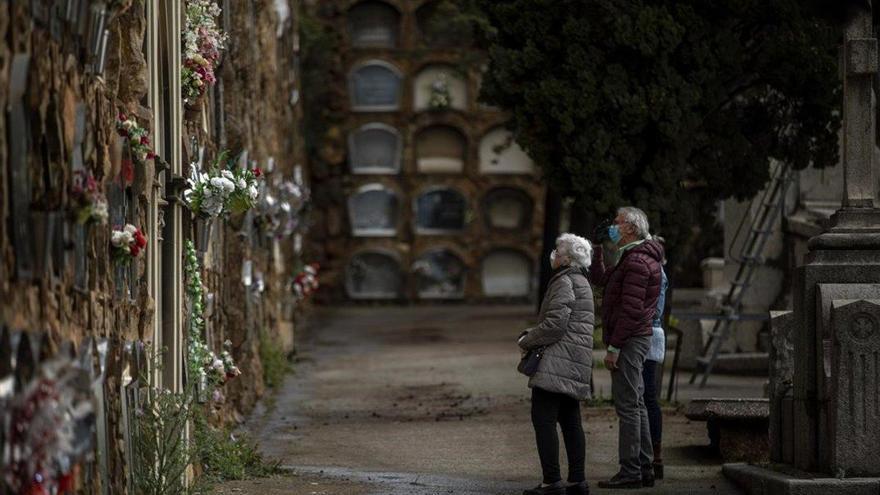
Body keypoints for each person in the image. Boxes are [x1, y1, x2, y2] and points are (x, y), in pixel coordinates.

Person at [589, 207, 664, 490]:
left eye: (618, 222)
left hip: (630, 339)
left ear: (631, 228)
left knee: (628, 407)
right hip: (633, 337)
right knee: (637, 403)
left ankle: (630, 470)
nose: (613, 226)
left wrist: (615, 348)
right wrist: (597, 248)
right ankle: (644, 467)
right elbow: (603, 281)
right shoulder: (632, 256)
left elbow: (631, 311)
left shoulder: (637, 261)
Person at [518, 233, 595, 495]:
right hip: (575, 360)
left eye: (558, 251)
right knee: (571, 420)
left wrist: (528, 340)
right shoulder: (582, 281)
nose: (554, 255)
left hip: (556, 361)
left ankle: (552, 481)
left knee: (543, 419)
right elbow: (569, 322)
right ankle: (577, 481)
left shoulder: (564, 282)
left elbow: (555, 325)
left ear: (567, 258)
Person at [642, 236, 668, 480]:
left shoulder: (654, 271)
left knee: (647, 397)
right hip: (653, 334)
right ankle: (654, 455)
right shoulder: (658, 269)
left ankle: (652, 455)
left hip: (648, 334)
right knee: (649, 397)